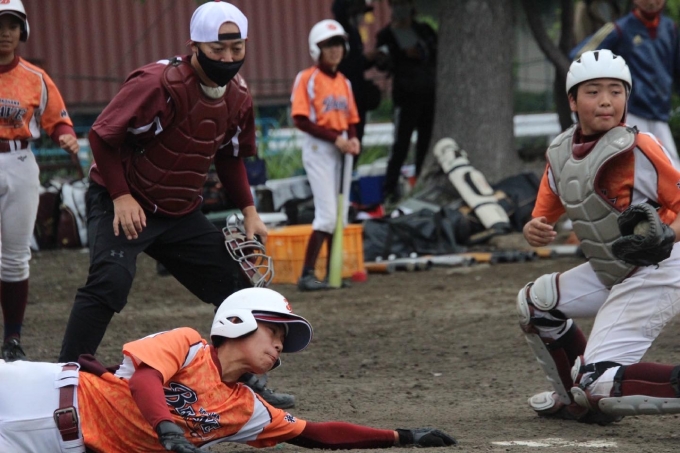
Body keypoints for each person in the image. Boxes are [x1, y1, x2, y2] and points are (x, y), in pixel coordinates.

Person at [58, 1, 294, 409]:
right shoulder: (158, 83)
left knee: (237, 288)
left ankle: (245, 380)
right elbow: (101, 136)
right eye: (218, 49)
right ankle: (64, 378)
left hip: (180, 210)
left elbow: (230, 157)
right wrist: (121, 196)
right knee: (109, 282)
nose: (228, 57)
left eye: (236, 48)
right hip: (123, 198)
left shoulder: (238, 96)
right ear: (194, 46)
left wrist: (250, 210)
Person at [0, 287, 458, 453]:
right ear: (237, 321)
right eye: (274, 331)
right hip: (36, 391)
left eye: (283, 343)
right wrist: (167, 430)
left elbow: (315, 434)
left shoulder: (246, 409)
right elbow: (144, 379)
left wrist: (400, 436)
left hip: (54, 446)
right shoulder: (188, 344)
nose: (279, 346)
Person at [517, 49, 680, 424]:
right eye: (593, 91)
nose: (606, 100)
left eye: (615, 91)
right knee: (536, 304)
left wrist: (666, 235)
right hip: (615, 267)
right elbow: (541, 218)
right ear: (572, 100)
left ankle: (590, 391)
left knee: (597, 381)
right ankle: (574, 402)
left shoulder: (638, 148)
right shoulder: (561, 153)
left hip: (660, 267)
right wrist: (533, 230)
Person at [0, 0, 80, 362]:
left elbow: (57, 120)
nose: (5, 33)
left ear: (22, 31)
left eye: (12, 25)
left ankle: (12, 338)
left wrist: (66, 136)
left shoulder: (34, 77)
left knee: (16, 258)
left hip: (19, 161)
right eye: (0, 25)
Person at [290, 19, 361, 292]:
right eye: (329, 45)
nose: (335, 50)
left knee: (340, 214)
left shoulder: (344, 82)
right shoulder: (307, 78)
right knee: (328, 214)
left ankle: (332, 274)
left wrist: (352, 138)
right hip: (319, 148)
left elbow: (351, 118)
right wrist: (336, 139)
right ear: (316, 49)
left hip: (341, 149)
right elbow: (301, 119)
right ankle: (307, 275)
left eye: (338, 44)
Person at [572, 0, 680, 164]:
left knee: (670, 167)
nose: (652, 2)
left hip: (660, 113)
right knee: (631, 165)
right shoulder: (619, 29)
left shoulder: (670, 29)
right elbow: (581, 56)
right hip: (632, 112)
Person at [374, 0, 437, 204]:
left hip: (428, 94)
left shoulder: (424, 30)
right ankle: (389, 191)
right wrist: (390, 55)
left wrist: (420, 52)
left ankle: (421, 186)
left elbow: (436, 52)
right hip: (405, 96)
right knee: (400, 146)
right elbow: (381, 64)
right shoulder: (386, 35)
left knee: (425, 146)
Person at [332, 0, 382, 148]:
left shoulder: (354, 33)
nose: (360, 16)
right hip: (342, 98)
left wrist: (373, 59)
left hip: (357, 97)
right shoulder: (337, 35)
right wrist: (365, 59)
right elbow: (344, 66)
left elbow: (357, 67)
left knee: (356, 142)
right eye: (357, 11)